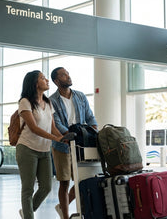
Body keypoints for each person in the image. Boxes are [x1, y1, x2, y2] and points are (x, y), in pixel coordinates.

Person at [16, 70, 75, 219]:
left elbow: (52, 127)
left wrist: (63, 137)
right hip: (27, 149)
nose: (47, 80)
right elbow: (34, 128)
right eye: (43, 78)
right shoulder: (25, 102)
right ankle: (29, 215)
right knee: (28, 189)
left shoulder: (48, 103)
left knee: (46, 187)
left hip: (44, 150)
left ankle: (27, 210)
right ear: (35, 83)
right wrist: (57, 139)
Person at [49, 67, 98, 219]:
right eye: (64, 75)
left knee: (81, 180)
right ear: (57, 81)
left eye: (68, 73)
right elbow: (56, 123)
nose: (68, 76)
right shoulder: (52, 100)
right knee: (64, 182)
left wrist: (93, 131)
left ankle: (63, 206)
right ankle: (65, 215)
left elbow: (90, 117)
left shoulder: (80, 96)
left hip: (81, 144)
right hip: (62, 146)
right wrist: (69, 135)